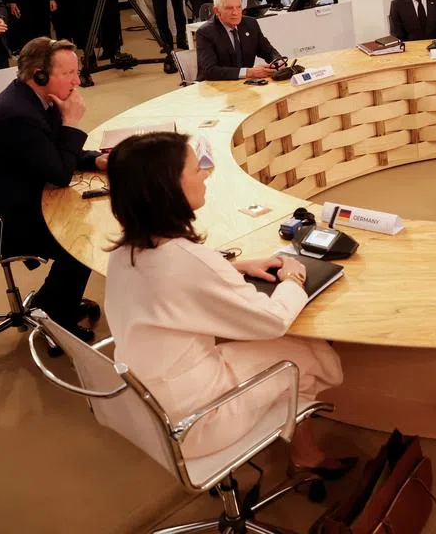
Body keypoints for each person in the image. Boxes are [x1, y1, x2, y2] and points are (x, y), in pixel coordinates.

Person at [103, 131, 346, 468]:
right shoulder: (190, 263)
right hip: (196, 421)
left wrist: (231, 267)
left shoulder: (123, 252)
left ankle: (300, 446)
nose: (204, 174)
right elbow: (272, 321)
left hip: (148, 406)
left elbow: (174, 284)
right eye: (195, 169)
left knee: (278, 354)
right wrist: (293, 278)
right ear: (169, 188)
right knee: (310, 352)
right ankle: (306, 453)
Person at [0, 38, 106, 340]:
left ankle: (51, 302)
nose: (77, 81)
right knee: (81, 238)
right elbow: (59, 174)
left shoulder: (36, 99)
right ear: (39, 75)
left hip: (9, 199)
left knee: (83, 220)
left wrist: (98, 161)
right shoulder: (18, 115)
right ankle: (56, 314)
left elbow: (51, 151)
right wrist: (71, 124)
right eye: (68, 73)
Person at [195, 0, 282, 81]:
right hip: (214, 88)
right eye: (229, 8)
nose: (235, 13)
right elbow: (210, 71)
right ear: (216, 11)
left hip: (243, 84)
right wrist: (248, 72)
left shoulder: (250, 24)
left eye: (238, 7)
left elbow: (267, 51)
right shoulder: (205, 33)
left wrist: (277, 62)